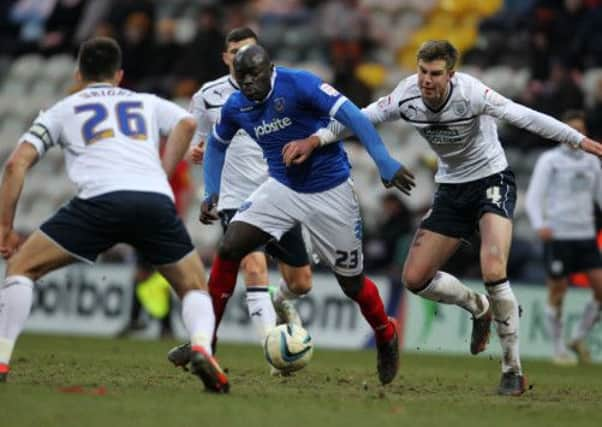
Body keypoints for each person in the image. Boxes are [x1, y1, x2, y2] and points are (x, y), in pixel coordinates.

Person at [285, 40, 602, 395]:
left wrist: (579, 140)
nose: (427, 81)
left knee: (494, 269)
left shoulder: (471, 93)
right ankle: (477, 306)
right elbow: (358, 118)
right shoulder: (407, 95)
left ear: (451, 74)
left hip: (491, 180)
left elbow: (523, 115)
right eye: (423, 72)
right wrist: (314, 140)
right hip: (451, 189)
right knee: (414, 277)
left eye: (435, 74)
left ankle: (512, 369)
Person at [0, 37, 229, 393]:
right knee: (193, 286)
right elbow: (186, 124)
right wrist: (163, 171)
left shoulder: (63, 109)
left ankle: (1, 356)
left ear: (78, 73)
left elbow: (16, 164)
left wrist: (4, 226)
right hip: (153, 200)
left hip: (98, 203)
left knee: (21, 268)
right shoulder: (145, 102)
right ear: (119, 75)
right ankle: (200, 344)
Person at [202, 44, 415, 385]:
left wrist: (384, 160)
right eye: (242, 79)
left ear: (270, 69)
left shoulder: (299, 84)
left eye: (255, 76)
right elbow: (216, 143)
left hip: (330, 191)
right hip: (281, 188)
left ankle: (385, 332)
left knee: (352, 284)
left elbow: (354, 116)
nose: (249, 84)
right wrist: (210, 189)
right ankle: (205, 345)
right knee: (229, 247)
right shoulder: (236, 105)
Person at [166, 28, 313, 373]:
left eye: (247, 50)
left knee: (301, 283)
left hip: (279, 191)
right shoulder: (208, 96)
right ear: (225, 56)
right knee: (254, 266)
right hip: (236, 197)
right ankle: (273, 354)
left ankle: (280, 302)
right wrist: (196, 153)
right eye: (234, 52)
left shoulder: (279, 92)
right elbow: (195, 140)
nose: (240, 57)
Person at [525, 110, 602, 365]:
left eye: (580, 130)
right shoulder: (550, 160)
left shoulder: (592, 161)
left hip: (585, 234)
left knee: (600, 289)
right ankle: (558, 348)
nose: (575, 134)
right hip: (559, 234)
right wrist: (539, 224)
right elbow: (534, 196)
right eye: (571, 129)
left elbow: (599, 197)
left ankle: (578, 337)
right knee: (557, 291)